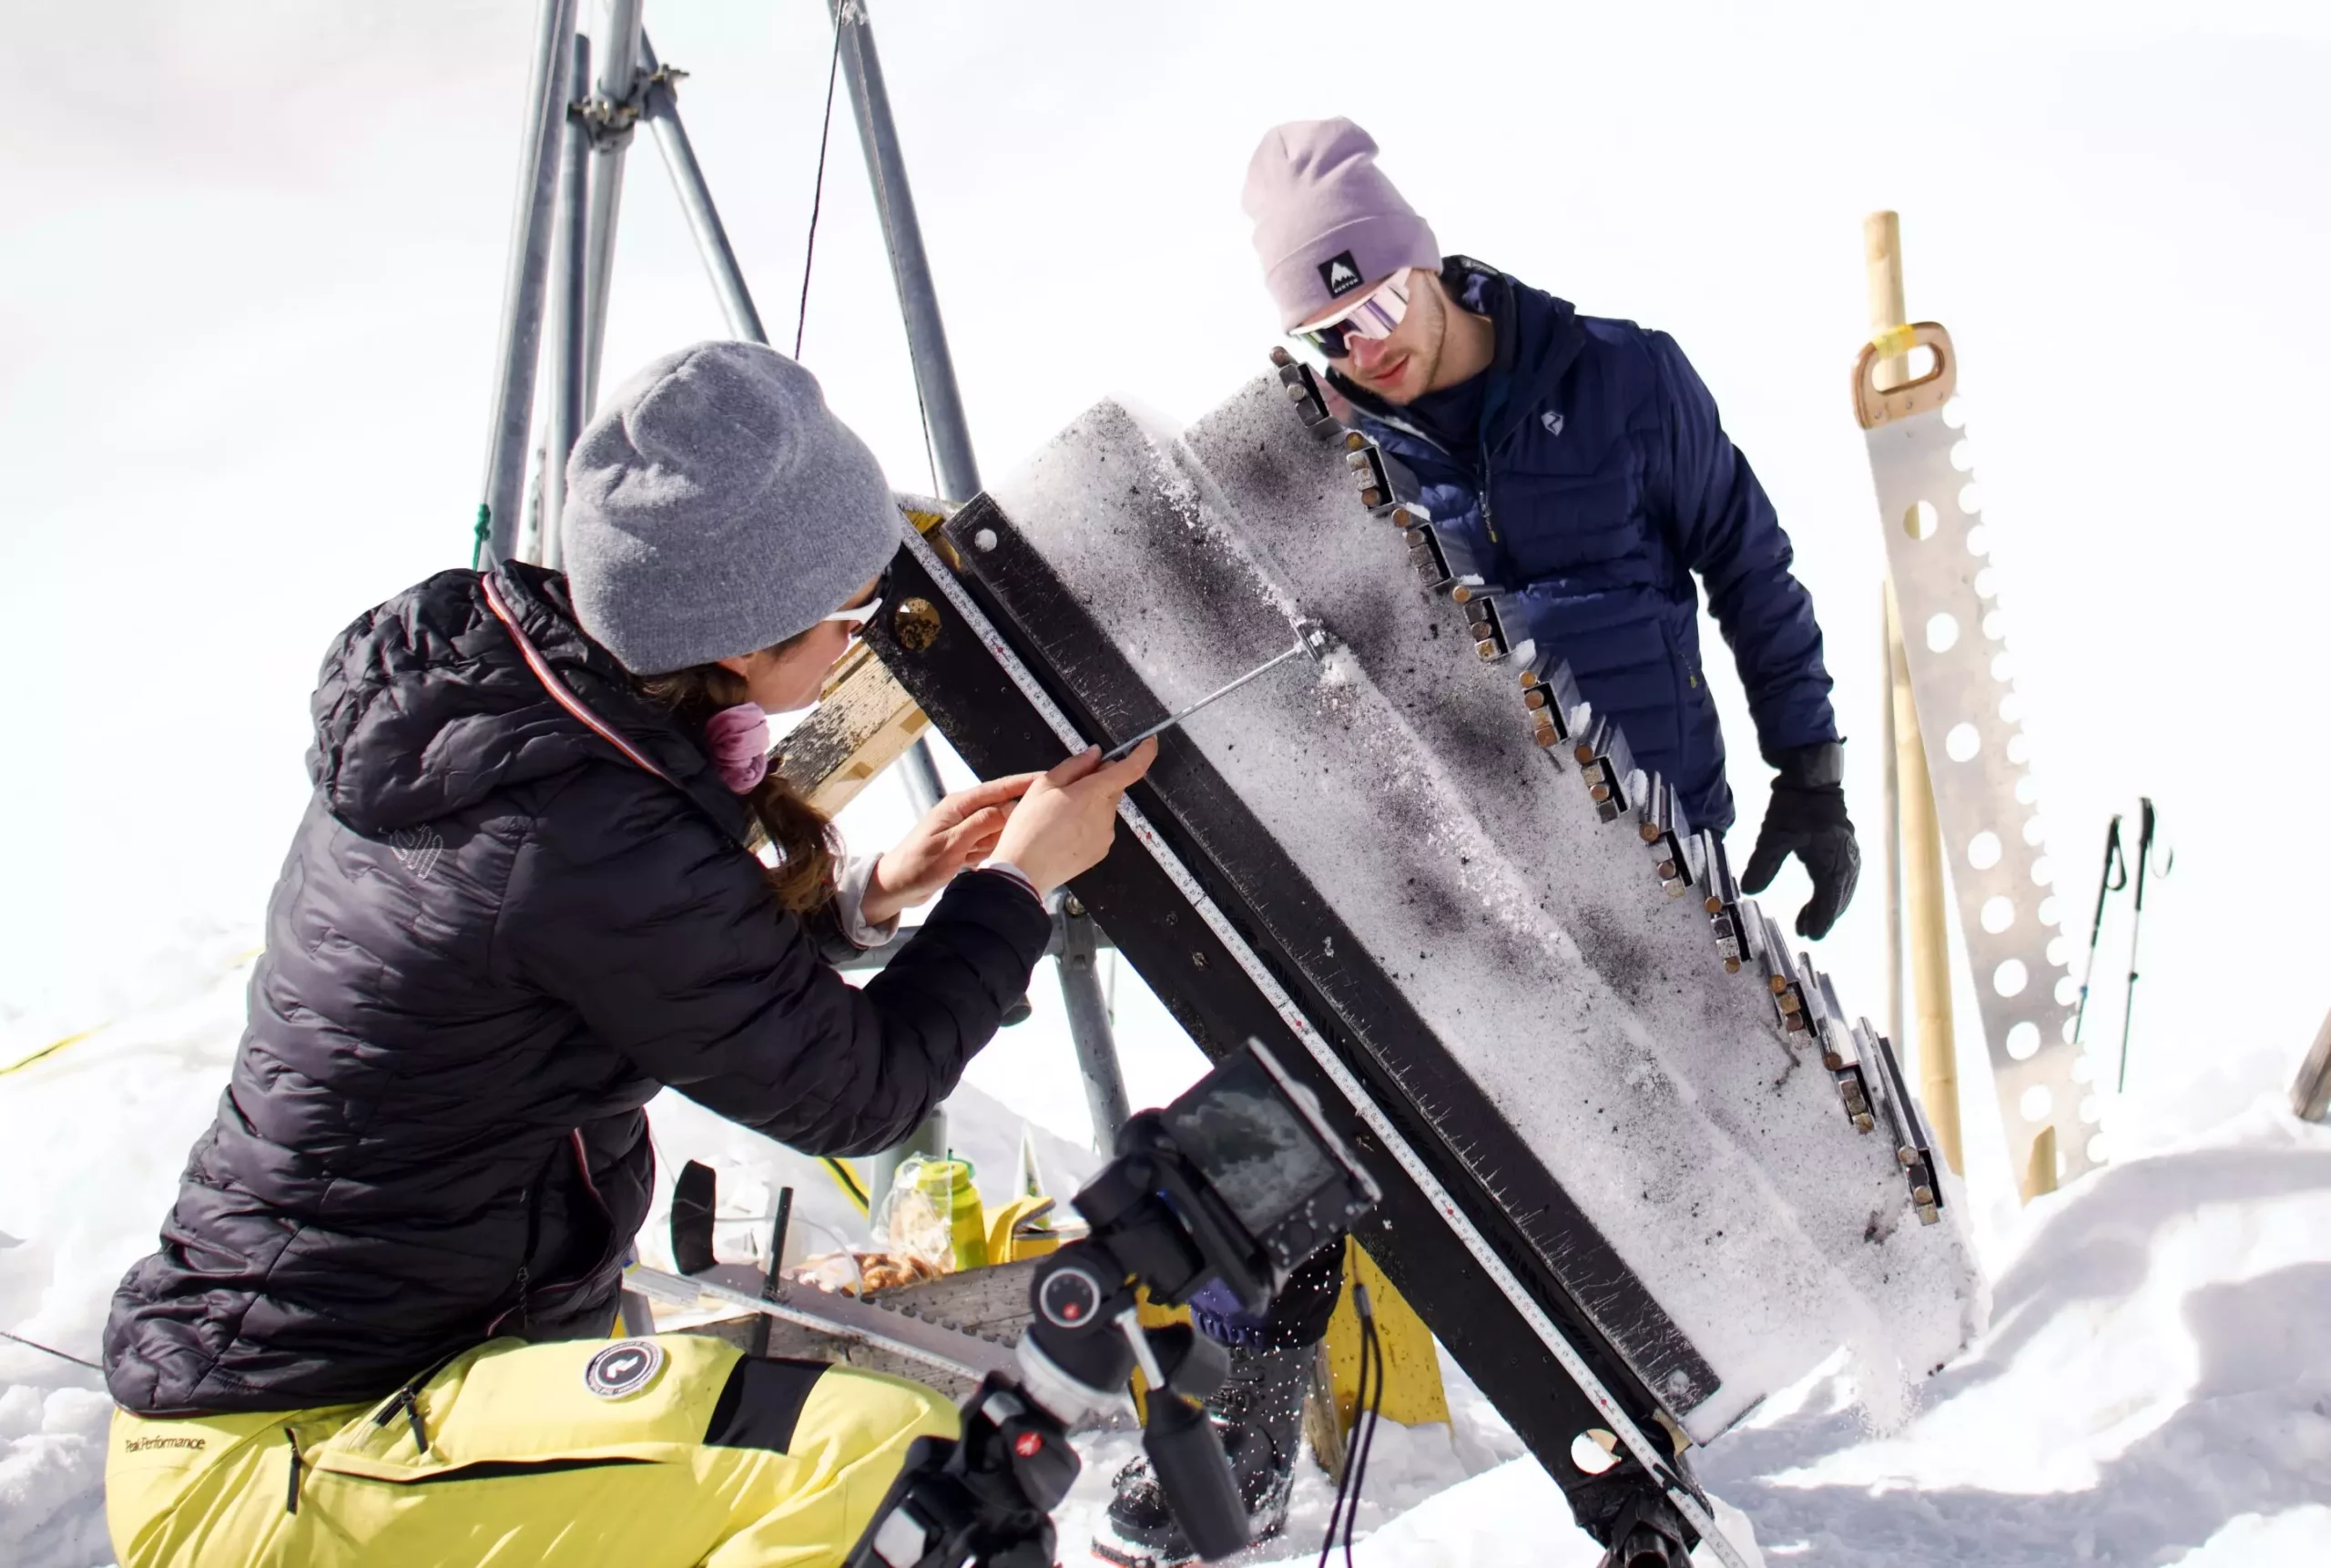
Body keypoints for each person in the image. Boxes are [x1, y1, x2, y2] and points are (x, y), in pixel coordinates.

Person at [99, 341, 1157, 1568]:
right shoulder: (571, 829)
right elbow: (860, 1090)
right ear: (743, 635)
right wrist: (1017, 883)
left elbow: (625, 967)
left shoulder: (503, 715)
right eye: (847, 618)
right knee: (884, 1469)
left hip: (345, 1402)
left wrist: (877, 893)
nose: (856, 649)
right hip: (299, 1454)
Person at [1102, 119, 1861, 1568]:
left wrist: (1808, 769)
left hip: (1643, 861)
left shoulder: (1623, 376)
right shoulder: (1309, 452)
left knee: (1634, 1163)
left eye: (1377, 305)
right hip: (1436, 868)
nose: (1362, 346)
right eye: (1324, 330)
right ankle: (1237, 1430)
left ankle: (1641, 1458)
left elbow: (1750, 565)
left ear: (1429, 264)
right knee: (1300, 1103)